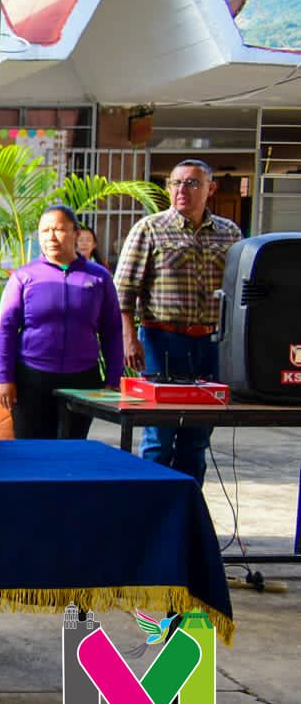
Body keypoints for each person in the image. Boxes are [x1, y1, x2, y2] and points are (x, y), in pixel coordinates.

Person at [113, 159, 242, 485]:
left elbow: (238, 291)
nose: (182, 190)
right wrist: (130, 338)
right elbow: (124, 290)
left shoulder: (230, 233)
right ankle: (152, 510)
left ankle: (188, 513)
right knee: (159, 435)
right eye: (176, 183)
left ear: (210, 188)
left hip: (212, 344)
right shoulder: (150, 228)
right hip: (163, 343)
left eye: (192, 183)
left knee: (197, 437)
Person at [0, 205, 123, 440]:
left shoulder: (99, 277)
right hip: (32, 378)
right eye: (45, 231)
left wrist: (114, 378)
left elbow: (112, 330)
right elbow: (6, 330)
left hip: (82, 379)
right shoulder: (24, 276)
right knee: (31, 452)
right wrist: (4, 378)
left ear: (76, 233)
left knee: (72, 450)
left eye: (59, 230)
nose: (51, 237)